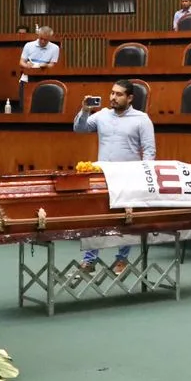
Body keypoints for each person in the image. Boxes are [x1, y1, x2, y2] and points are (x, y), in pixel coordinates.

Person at [71, 80, 156, 277]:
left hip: (128, 177)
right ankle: (89, 261)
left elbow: (149, 151)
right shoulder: (101, 115)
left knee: (126, 219)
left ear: (130, 98)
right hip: (103, 175)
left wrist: (144, 176)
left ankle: (122, 259)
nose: (113, 98)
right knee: (97, 217)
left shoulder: (142, 119)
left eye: (118, 94)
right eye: (112, 93)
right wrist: (84, 111)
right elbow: (80, 129)